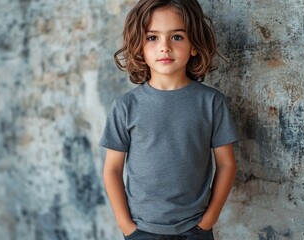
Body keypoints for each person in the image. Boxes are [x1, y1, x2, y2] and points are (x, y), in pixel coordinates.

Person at [100, 0, 238, 239]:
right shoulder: (125, 106)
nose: (165, 47)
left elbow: (226, 164)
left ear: (194, 45)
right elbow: (112, 169)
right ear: (139, 46)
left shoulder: (211, 102)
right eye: (152, 38)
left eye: (177, 37)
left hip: (195, 230)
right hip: (141, 231)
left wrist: (209, 220)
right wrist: (127, 227)